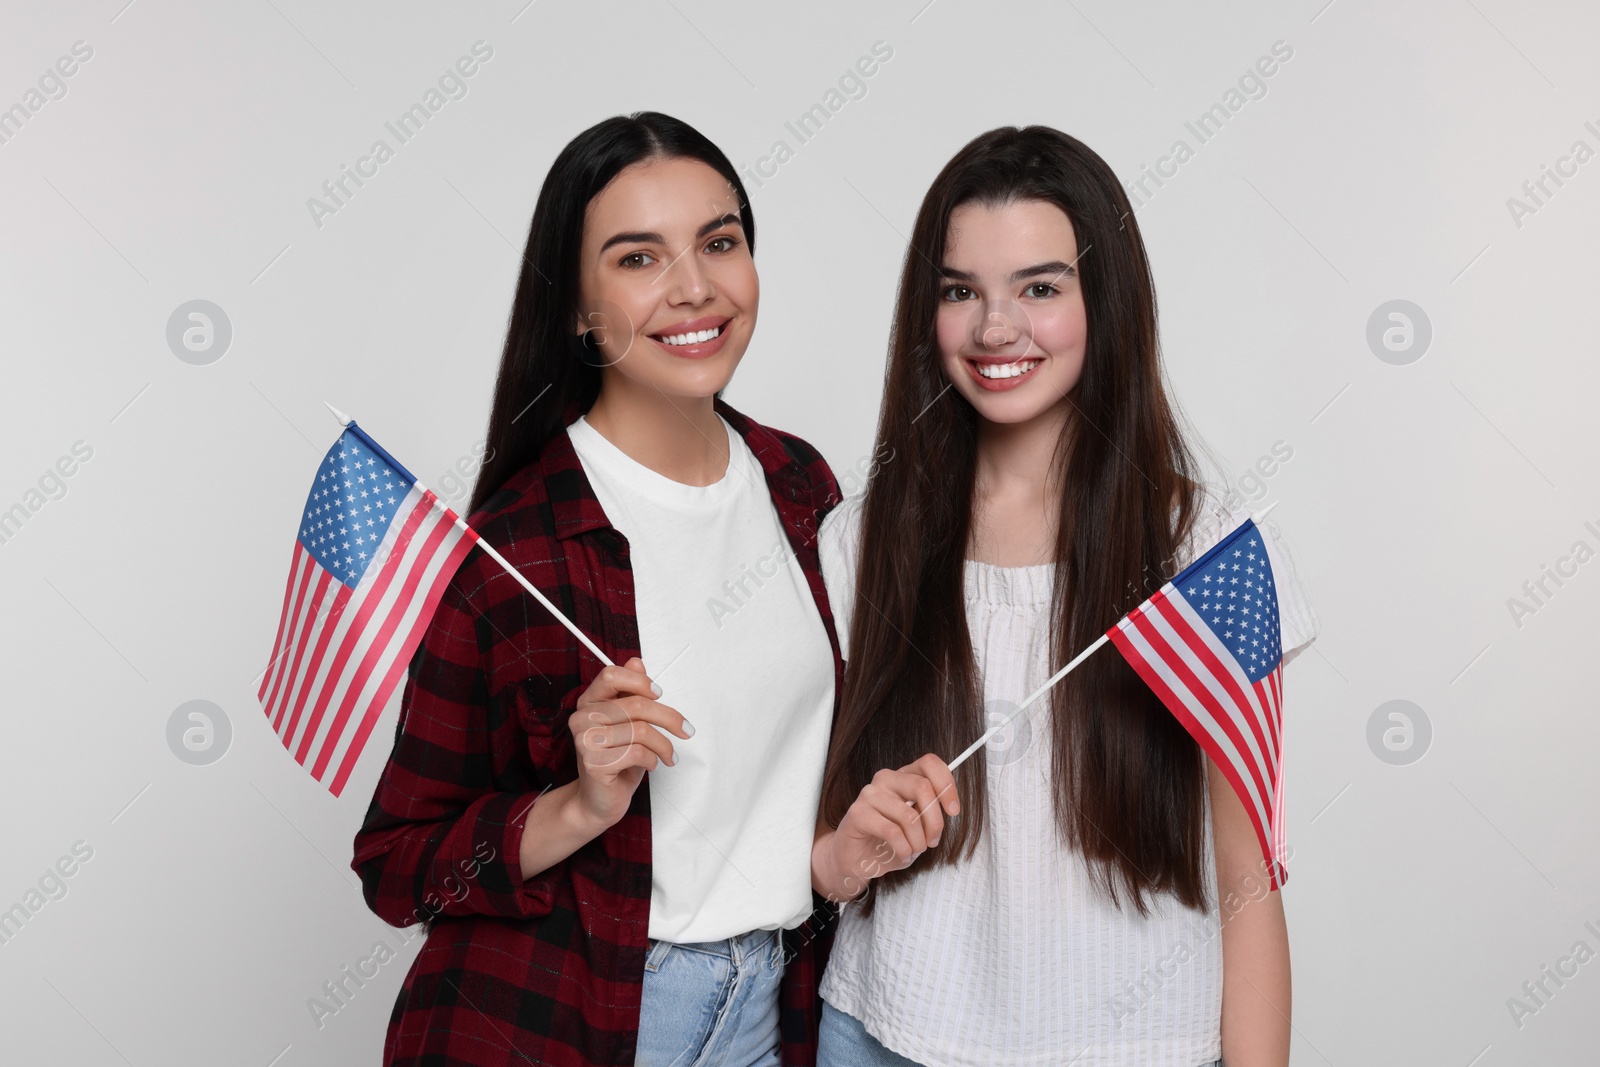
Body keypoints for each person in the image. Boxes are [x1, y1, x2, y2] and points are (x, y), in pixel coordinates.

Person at [808, 125, 1319, 1067]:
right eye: (962, 291)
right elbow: (804, 839)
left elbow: (1252, 883)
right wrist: (842, 848)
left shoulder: (1209, 556)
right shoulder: (858, 541)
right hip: (884, 1038)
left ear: (1105, 303)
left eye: (1041, 287)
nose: (996, 327)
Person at [351, 112, 845, 1067]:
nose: (694, 286)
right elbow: (398, 867)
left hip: (773, 1011)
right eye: (637, 258)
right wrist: (578, 804)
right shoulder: (513, 547)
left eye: (720, 241)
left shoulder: (800, 484)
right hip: (573, 1020)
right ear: (578, 308)